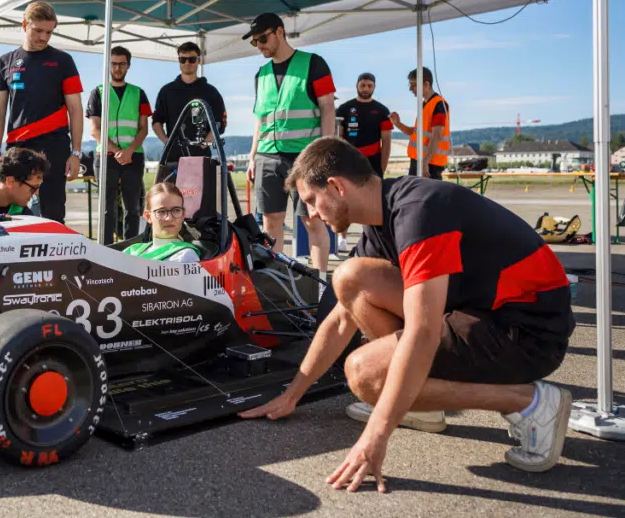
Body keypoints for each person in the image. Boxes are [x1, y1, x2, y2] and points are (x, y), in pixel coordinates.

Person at [241, 137, 575, 489]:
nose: (311, 213)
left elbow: (423, 331)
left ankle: (530, 402)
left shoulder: (420, 211)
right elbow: (341, 318)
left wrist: (375, 437)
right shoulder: (383, 216)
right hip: (484, 315)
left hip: (529, 334)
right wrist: (293, 394)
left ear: (337, 186)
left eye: (311, 200)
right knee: (352, 278)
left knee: (364, 374)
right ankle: (420, 404)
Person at [244, 12, 335, 272]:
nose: (259, 45)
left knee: (312, 221)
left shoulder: (314, 64)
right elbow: (259, 120)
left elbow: (327, 108)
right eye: (254, 42)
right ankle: (276, 282)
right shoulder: (260, 75)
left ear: (280, 32)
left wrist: (324, 153)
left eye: (262, 38)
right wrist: (252, 157)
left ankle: (319, 286)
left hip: (305, 158)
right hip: (267, 156)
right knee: (271, 221)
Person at [0, 1, 83, 224]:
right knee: (10, 212)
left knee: (52, 212)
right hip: (17, 148)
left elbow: (76, 109)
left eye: (49, 32)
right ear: (24, 25)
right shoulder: (5, 62)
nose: (44, 37)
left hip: (54, 145)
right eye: (38, 30)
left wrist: (76, 153)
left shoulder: (63, 61)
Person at [86, 46, 151, 245]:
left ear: (128, 66)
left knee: (133, 207)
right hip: (106, 157)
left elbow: (143, 129)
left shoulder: (139, 93)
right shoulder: (97, 93)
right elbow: (95, 130)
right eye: (113, 64)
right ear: (108, 65)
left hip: (134, 156)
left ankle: (131, 247)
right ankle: (105, 249)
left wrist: (129, 151)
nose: (117, 68)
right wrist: (118, 151)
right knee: (107, 208)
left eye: (122, 64)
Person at [335, 72, 392, 253]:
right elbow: (338, 138)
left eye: (369, 86)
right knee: (344, 199)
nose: (366, 89)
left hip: (373, 163)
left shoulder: (382, 111)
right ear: (357, 86)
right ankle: (342, 238)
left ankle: (371, 241)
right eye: (363, 85)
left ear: (374, 87)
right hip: (349, 162)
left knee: (373, 203)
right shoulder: (344, 109)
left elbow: (387, 141)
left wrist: (382, 167)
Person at [151, 42, 226, 165]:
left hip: (201, 159)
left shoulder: (211, 92)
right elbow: (156, 121)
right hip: (173, 159)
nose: (187, 63)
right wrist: (167, 142)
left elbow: (219, 123)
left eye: (191, 59)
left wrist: (203, 145)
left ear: (199, 61)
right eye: (183, 59)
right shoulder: (167, 91)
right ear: (179, 61)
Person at [390, 67, 450, 180]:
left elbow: (437, 135)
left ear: (426, 84)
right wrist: (397, 123)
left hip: (429, 164)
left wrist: (425, 161)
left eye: (413, 85)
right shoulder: (425, 104)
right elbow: (417, 132)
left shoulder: (438, 104)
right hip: (420, 161)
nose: (410, 89)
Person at [123, 183, 201, 262]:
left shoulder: (185, 255)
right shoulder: (131, 251)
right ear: (148, 216)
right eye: (162, 211)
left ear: (183, 214)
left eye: (176, 210)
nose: (169, 218)